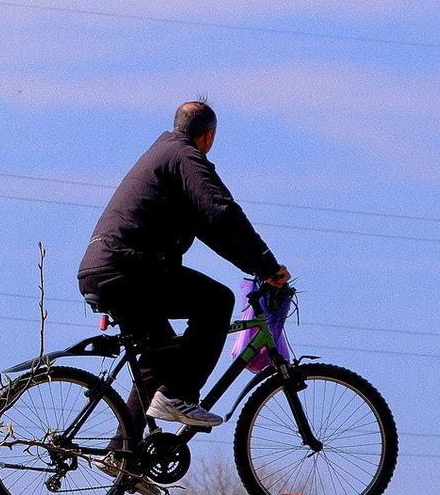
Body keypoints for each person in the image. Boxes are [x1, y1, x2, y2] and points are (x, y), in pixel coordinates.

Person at [78, 101, 290, 437]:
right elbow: (221, 212)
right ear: (208, 136)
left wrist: (257, 266)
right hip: (128, 269)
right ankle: (179, 396)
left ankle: (122, 455)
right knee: (216, 301)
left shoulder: (166, 156)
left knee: (160, 355)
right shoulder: (185, 158)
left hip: (104, 269)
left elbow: (211, 229)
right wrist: (266, 263)